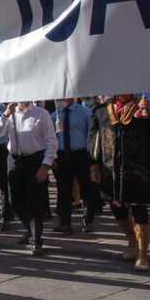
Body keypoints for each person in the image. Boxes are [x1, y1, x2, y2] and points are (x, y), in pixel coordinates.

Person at [94, 95, 150, 272]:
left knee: (139, 209)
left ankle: (143, 254)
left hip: (138, 170)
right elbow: (94, 139)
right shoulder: (102, 110)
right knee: (117, 207)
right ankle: (132, 241)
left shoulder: (145, 107)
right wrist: (93, 164)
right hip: (111, 170)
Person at [0, 101, 58, 256]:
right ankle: (31, 229)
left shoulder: (41, 114)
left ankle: (37, 240)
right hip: (15, 160)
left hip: (34, 160)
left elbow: (51, 141)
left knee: (35, 202)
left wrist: (45, 165)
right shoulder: (10, 113)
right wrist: (6, 114)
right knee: (15, 202)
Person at [52, 98, 95, 235]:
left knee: (86, 188)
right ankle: (65, 223)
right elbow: (52, 137)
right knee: (63, 190)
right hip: (62, 155)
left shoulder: (85, 112)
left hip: (81, 154)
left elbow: (91, 135)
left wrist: (92, 157)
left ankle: (88, 220)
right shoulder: (56, 114)